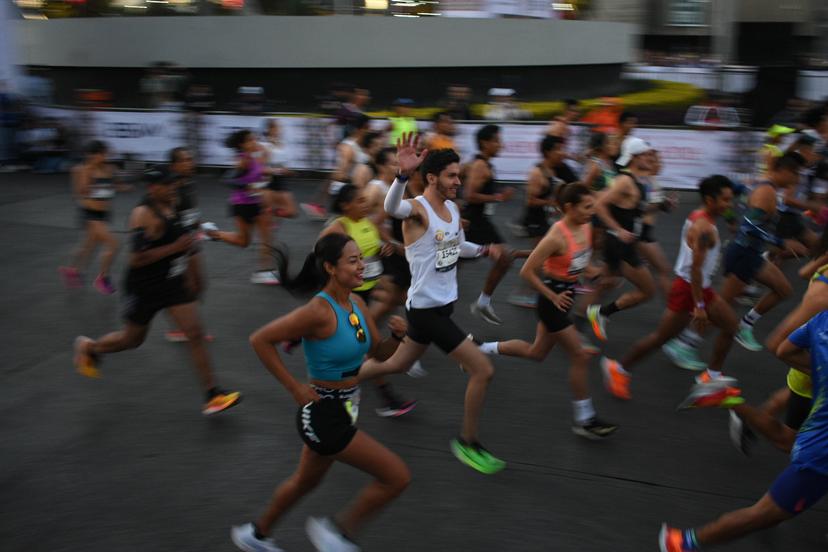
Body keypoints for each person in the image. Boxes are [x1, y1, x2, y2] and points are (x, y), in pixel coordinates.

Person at [231, 233, 410, 552]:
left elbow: (379, 354)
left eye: (362, 259)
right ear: (330, 267)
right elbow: (260, 339)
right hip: (323, 411)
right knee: (396, 476)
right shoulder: (318, 311)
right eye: (353, 261)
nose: (362, 267)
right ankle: (338, 534)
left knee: (306, 481)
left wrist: (396, 337)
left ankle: (256, 535)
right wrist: (295, 389)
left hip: (349, 405)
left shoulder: (355, 303)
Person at [359, 134, 507, 474]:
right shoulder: (418, 211)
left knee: (395, 364)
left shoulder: (452, 209)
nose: (459, 181)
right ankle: (468, 443)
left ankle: (343, 380)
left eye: (459, 174)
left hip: (442, 307)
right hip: (426, 311)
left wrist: (484, 250)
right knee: (482, 370)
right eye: (452, 176)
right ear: (431, 178)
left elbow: (458, 246)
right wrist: (400, 175)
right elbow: (391, 208)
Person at [72, 167, 241, 416]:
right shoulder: (142, 214)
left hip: (171, 284)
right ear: (153, 188)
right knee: (132, 340)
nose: (172, 187)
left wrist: (193, 273)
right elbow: (137, 258)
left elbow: (187, 242)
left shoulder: (174, 205)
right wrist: (175, 247)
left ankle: (213, 395)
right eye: (166, 184)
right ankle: (90, 348)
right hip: (144, 288)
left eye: (173, 182)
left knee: (195, 333)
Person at [659, 309, 828, 551]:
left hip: (816, 430)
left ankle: (727, 399)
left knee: (785, 441)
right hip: (821, 455)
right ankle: (681, 543)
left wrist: (821, 371)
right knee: (763, 514)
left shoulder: (822, 318)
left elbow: (784, 350)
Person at [477, 183, 617, 439]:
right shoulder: (556, 235)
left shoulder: (585, 226)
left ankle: (481, 348)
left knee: (537, 352)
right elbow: (527, 272)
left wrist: (592, 273)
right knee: (580, 355)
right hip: (551, 302)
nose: (591, 211)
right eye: (587, 207)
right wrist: (552, 295)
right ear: (568, 208)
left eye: (592, 205)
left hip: (567, 296)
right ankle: (585, 419)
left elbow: (577, 261)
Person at [600, 176, 740, 400]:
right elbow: (695, 270)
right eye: (725, 200)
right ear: (709, 199)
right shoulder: (704, 229)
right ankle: (618, 368)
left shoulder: (701, 216)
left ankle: (711, 377)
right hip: (689, 289)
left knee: (731, 326)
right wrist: (700, 305)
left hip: (696, 287)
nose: (729, 204)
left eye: (730, 199)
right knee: (660, 338)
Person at [663, 153, 809, 366]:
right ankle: (686, 344)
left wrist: (731, 219)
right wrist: (781, 243)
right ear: (783, 170)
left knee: (783, 290)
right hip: (743, 254)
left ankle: (746, 324)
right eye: (795, 173)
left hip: (751, 253)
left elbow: (736, 193)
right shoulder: (766, 191)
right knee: (721, 309)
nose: (797, 178)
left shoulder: (763, 185)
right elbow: (749, 226)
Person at [320, 184, 416, 417]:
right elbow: (320, 252)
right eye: (360, 201)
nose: (366, 205)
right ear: (345, 205)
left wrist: (388, 249)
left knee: (360, 343)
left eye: (366, 201)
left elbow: (393, 245)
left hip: (368, 291)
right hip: (347, 295)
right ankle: (386, 398)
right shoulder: (340, 226)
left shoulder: (368, 222)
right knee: (368, 343)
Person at [585, 137, 657, 341]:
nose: (649, 158)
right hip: (620, 245)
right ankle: (598, 313)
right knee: (648, 291)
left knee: (607, 283)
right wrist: (618, 229)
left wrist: (660, 205)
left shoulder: (638, 180)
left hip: (623, 243)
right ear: (634, 158)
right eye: (645, 155)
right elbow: (599, 205)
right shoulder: (624, 180)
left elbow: (634, 210)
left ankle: (582, 313)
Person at [202, 129, 280, 285]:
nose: (255, 142)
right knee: (243, 241)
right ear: (242, 145)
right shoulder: (242, 160)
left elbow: (259, 174)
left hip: (257, 204)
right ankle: (212, 234)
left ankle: (263, 272)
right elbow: (228, 179)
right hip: (242, 205)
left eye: (255, 139)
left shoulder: (254, 157)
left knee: (267, 236)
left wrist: (271, 173)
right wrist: (247, 186)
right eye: (250, 140)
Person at [464, 124, 517, 325]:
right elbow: (470, 195)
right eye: (496, 140)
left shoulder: (484, 164)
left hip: (480, 221)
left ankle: (483, 302)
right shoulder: (480, 165)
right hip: (474, 222)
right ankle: (483, 301)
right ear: (485, 143)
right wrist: (498, 197)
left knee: (504, 257)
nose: (500, 144)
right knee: (504, 256)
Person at [163, 146, 215, 343]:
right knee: (186, 285)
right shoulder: (170, 187)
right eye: (184, 160)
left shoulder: (189, 183)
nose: (189, 163)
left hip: (192, 240)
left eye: (190, 159)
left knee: (199, 284)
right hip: (177, 244)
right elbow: (164, 216)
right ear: (174, 165)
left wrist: (202, 226)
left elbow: (191, 211)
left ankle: (184, 324)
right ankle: (183, 328)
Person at [508, 135, 566, 307]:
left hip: (544, 220)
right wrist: (551, 203)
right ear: (548, 152)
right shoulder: (537, 173)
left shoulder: (551, 171)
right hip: (534, 221)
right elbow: (530, 201)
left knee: (542, 256)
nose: (561, 153)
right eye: (558, 149)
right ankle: (522, 293)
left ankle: (517, 255)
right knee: (540, 258)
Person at [59, 140, 121, 295]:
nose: (106, 156)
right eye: (103, 153)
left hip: (104, 213)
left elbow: (114, 185)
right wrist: (89, 174)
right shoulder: (81, 169)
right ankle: (103, 278)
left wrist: (120, 185)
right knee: (114, 244)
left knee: (88, 245)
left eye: (106, 153)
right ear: (93, 155)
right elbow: (79, 192)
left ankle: (71, 270)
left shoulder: (108, 168)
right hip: (90, 213)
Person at [260, 119, 298, 221]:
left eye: (280, 127)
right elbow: (261, 168)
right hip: (268, 182)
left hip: (281, 182)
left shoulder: (283, 145)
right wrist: (279, 171)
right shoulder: (263, 145)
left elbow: (286, 166)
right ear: (269, 129)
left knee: (291, 212)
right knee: (270, 220)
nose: (279, 130)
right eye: (277, 127)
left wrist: (289, 171)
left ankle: (265, 213)